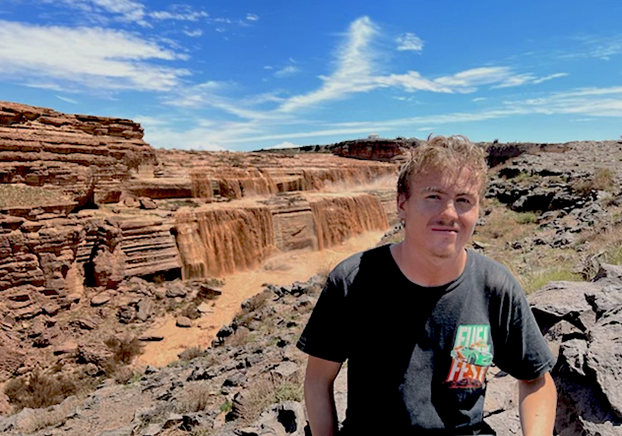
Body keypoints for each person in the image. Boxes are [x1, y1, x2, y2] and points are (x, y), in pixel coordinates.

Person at [296, 135, 557, 436]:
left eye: (463, 200)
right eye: (433, 196)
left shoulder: (494, 287)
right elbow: (318, 381)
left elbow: (536, 379)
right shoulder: (353, 281)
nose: (449, 214)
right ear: (402, 202)